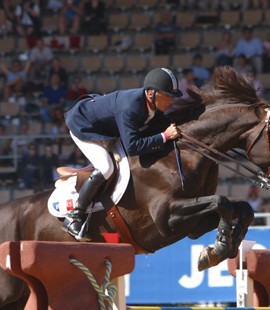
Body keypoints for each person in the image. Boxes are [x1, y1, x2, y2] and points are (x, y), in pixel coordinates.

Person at [61, 67, 181, 241]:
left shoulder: (152, 104)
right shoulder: (131, 108)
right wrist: (164, 137)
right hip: (83, 126)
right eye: (168, 95)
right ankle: (75, 216)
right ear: (150, 93)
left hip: (108, 127)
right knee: (106, 167)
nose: (171, 100)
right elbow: (132, 147)